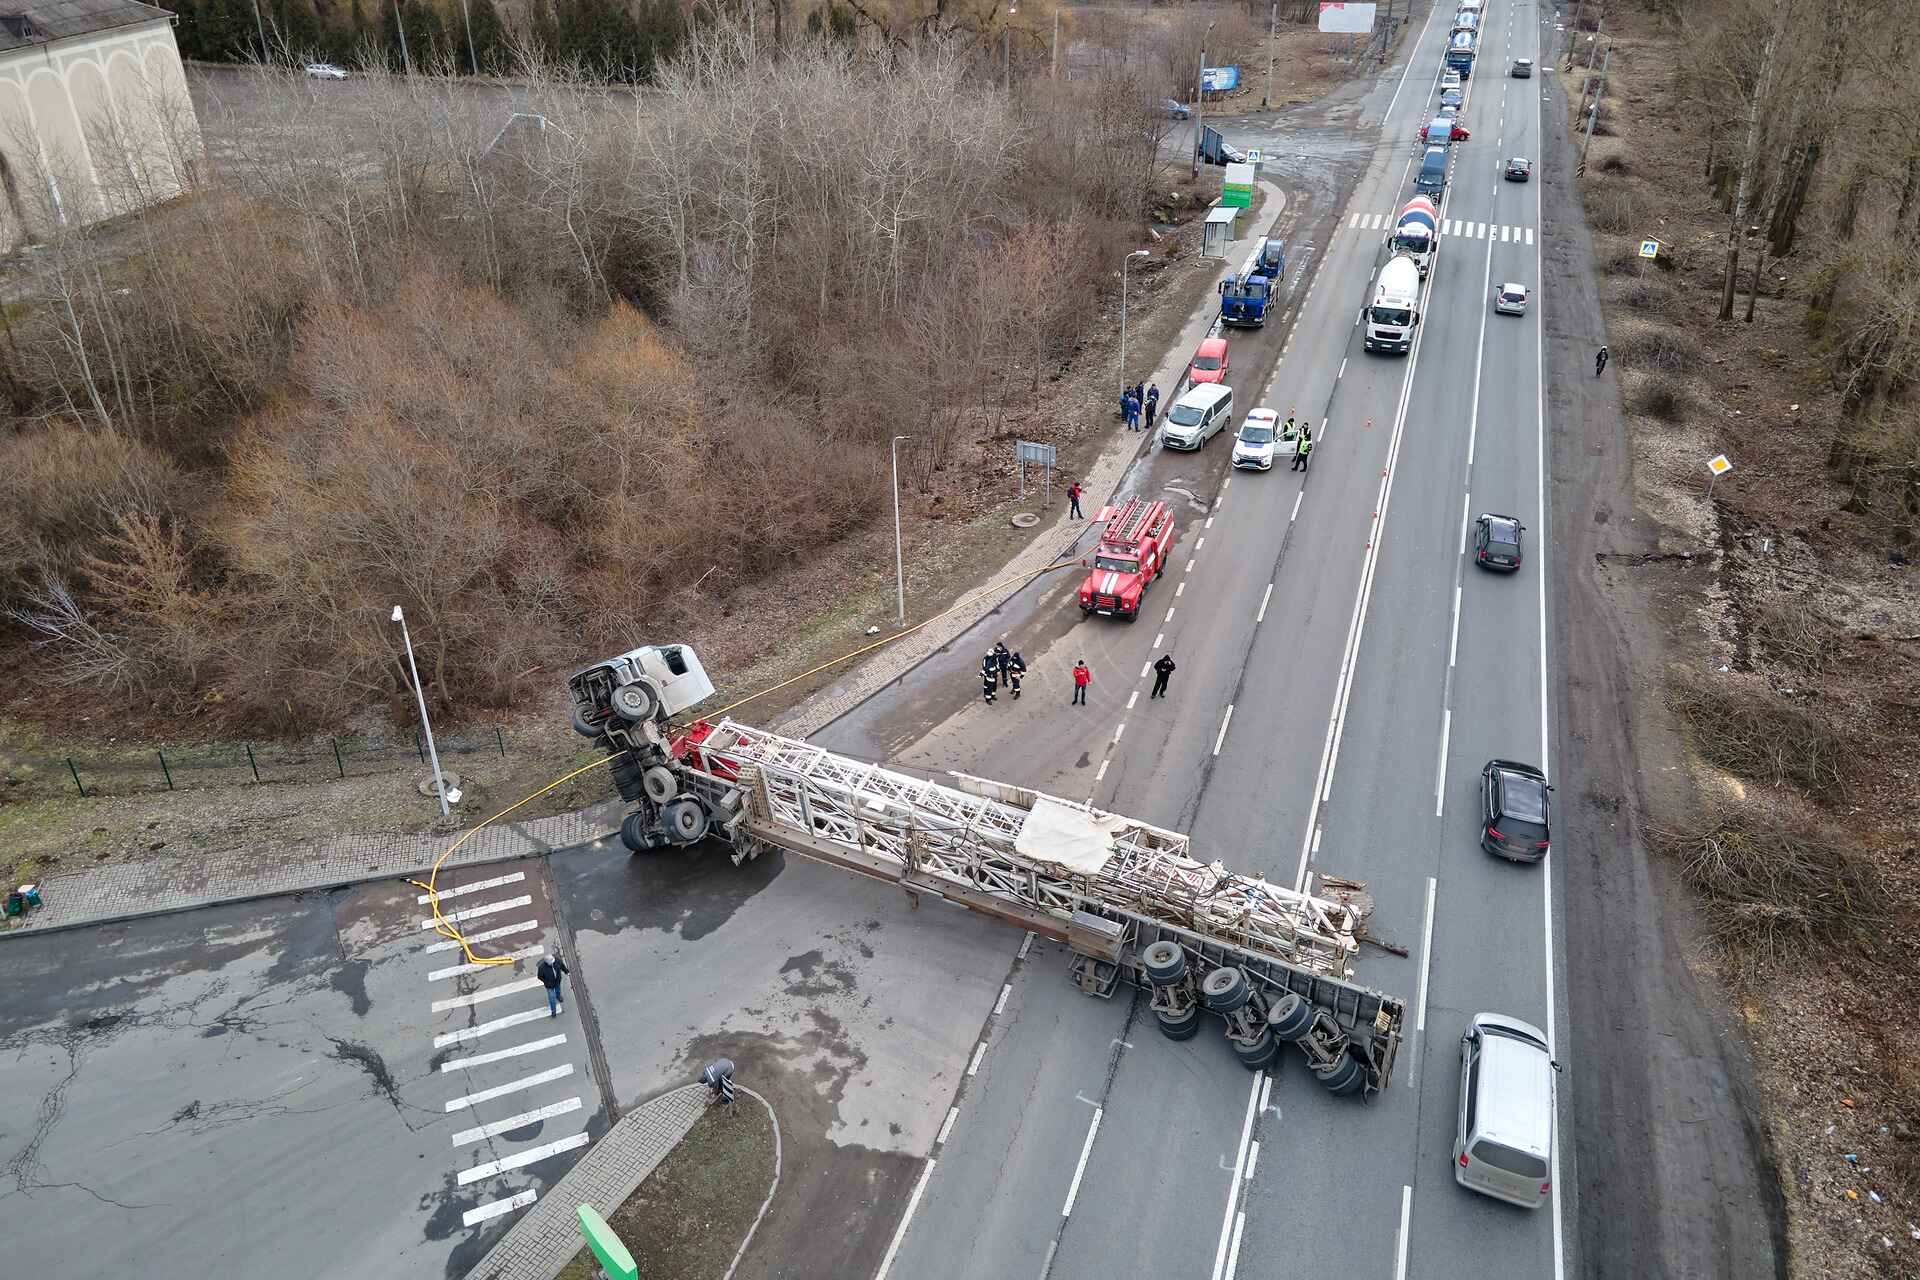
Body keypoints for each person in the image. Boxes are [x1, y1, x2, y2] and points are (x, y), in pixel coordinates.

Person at [537, 951, 570, 1018]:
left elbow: (562, 966)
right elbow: (540, 977)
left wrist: (566, 972)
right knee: (552, 998)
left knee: (558, 990)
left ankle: (558, 996)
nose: (552, 963)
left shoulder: (557, 961)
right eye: (551, 962)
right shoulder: (542, 968)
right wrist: (546, 982)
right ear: (546, 962)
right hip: (549, 986)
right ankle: (553, 1011)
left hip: (557, 981)